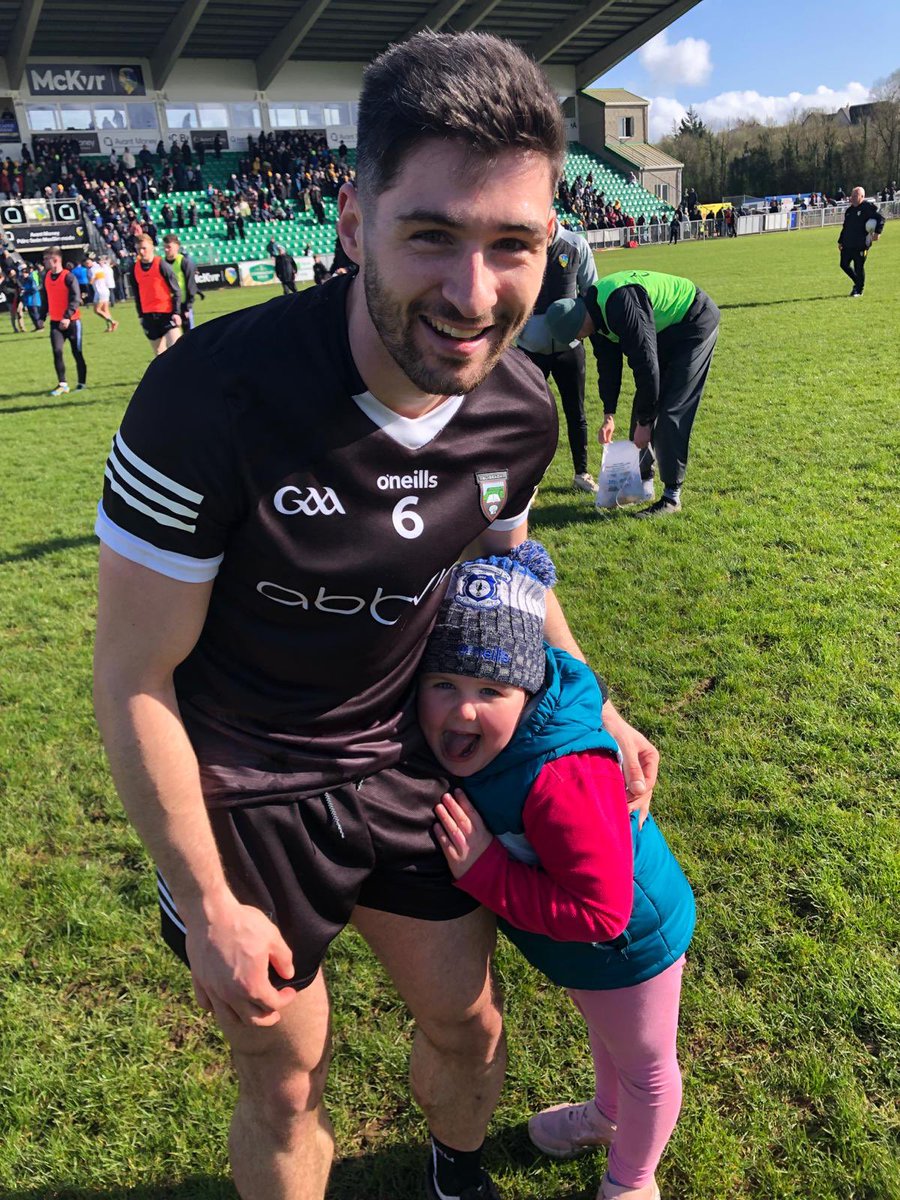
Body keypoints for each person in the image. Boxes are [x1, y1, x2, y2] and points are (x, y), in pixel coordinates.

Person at [93, 31, 659, 1200]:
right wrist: (207, 907)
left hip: (409, 762)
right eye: (432, 235)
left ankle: (456, 1178)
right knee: (286, 1079)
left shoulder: (517, 418)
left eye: (514, 245)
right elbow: (134, 679)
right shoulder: (207, 399)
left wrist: (593, 703)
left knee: (471, 1027)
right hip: (242, 791)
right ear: (355, 224)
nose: (473, 292)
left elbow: (509, 571)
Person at [421, 542, 694, 1200]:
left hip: (629, 942)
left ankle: (631, 1181)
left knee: (648, 1066)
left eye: (489, 690)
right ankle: (607, 1116)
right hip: (584, 950)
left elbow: (603, 912)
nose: (463, 709)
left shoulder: (560, 776)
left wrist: (487, 870)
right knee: (613, 1039)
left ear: (527, 690)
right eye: (444, 685)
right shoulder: (499, 738)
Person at [545, 270, 720, 518]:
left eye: (576, 335)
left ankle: (672, 497)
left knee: (671, 412)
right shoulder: (592, 315)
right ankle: (643, 487)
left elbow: (646, 365)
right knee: (644, 406)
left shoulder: (620, 305)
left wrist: (646, 423)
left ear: (579, 322)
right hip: (669, 329)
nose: (579, 338)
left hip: (695, 320)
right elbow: (608, 367)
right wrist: (609, 414)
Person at [516, 217, 599, 494]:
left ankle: (582, 473)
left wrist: (581, 330)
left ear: (552, 219)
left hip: (570, 349)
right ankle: (529, 479)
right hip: (531, 350)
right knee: (530, 416)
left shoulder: (577, 246)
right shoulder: (523, 248)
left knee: (576, 413)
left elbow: (592, 294)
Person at [41, 245, 87, 396]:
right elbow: (45, 298)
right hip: (55, 322)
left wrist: (67, 317)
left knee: (77, 352)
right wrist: (41, 317)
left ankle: (81, 383)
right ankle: (63, 384)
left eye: (46, 259)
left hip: (72, 322)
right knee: (57, 351)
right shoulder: (46, 277)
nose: (44, 262)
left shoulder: (69, 277)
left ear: (55, 260)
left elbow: (75, 299)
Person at [130, 233, 182, 355]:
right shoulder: (134, 268)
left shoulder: (161, 265)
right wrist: (140, 315)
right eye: (138, 249)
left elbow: (176, 290)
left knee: (178, 351)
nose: (141, 252)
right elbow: (137, 294)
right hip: (148, 317)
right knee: (159, 354)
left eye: (144, 248)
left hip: (167, 314)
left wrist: (176, 312)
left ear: (152, 247)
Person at [838, 186, 884, 297]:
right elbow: (845, 227)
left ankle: (859, 290)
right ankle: (857, 283)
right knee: (844, 264)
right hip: (848, 243)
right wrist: (840, 241)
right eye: (852, 195)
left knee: (858, 267)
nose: (852, 198)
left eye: (855, 196)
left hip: (861, 244)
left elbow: (881, 219)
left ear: (862, 197)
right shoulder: (849, 211)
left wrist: (877, 232)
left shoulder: (868, 208)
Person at [162, 233, 199, 331]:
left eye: (169, 247)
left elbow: (191, 286)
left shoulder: (184, 262)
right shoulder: (162, 264)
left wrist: (188, 307)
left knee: (189, 335)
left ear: (177, 247)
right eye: (164, 247)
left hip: (183, 305)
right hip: (168, 306)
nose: (166, 249)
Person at [89, 254, 118, 332]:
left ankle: (113, 322)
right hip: (104, 290)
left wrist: (91, 280)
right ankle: (110, 327)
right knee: (105, 310)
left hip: (100, 291)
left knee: (97, 310)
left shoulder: (94, 269)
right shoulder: (104, 268)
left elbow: (92, 281)